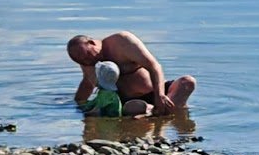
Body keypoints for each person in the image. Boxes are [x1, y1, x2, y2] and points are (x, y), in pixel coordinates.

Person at [66, 30, 195, 117]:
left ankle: (161, 110)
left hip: (156, 91)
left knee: (187, 82)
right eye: (80, 61)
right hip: (129, 102)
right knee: (133, 108)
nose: (87, 61)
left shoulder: (122, 42)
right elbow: (87, 83)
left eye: (87, 55)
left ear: (92, 43)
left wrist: (160, 94)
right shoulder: (86, 61)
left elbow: (154, 66)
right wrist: (78, 105)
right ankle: (156, 112)